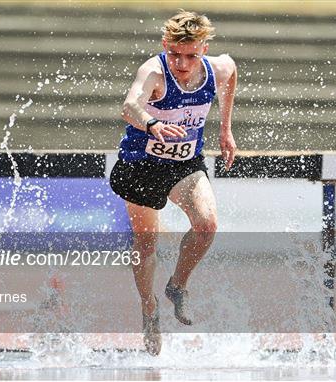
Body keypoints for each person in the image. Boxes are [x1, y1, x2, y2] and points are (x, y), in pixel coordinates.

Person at [110, 10, 237, 356]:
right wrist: (152, 125)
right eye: (175, 54)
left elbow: (232, 72)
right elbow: (129, 105)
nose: (182, 63)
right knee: (146, 244)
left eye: (191, 55)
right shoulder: (154, 71)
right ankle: (148, 308)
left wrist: (225, 130)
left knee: (207, 225)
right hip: (142, 164)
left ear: (204, 49)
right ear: (165, 46)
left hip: (184, 164)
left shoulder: (217, 68)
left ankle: (177, 285)